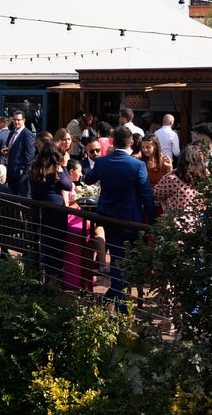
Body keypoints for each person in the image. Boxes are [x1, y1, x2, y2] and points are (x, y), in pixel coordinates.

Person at [83, 126, 156, 312]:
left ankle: (115, 302)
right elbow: (146, 196)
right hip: (131, 220)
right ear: (131, 142)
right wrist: (153, 221)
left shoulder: (102, 162)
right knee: (127, 261)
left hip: (109, 218)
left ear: (113, 142)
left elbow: (88, 179)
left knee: (116, 259)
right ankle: (119, 305)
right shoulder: (137, 165)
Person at [29, 139, 73, 280]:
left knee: (45, 242)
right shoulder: (56, 168)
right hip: (55, 213)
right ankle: (52, 276)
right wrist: (64, 166)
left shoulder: (34, 166)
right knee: (55, 243)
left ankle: (45, 273)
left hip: (38, 210)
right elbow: (68, 186)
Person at [62, 159, 94, 291]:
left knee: (88, 228)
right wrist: (77, 203)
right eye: (79, 170)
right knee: (82, 231)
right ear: (71, 171)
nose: (81, 174)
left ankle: (84, 275)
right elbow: (66, 205)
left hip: (77, 215)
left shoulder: (72, 184)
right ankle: (74, 277)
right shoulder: (66, 185)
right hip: (70, 217)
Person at [153, 143, 207, 220]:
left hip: (176, 225)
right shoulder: (204, 180)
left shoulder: (173, 180)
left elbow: (156, 193)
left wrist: (170, 172)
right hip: (197, 224)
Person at [3, 110, 36, 197]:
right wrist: (5, 151)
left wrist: (24, 173)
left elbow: (30, 156)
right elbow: (10, 149)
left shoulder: (28, 135)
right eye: (14, 120)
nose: (16, 122)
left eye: (18, 120)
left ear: (24, 120)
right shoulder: (11, 133)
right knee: (12, 198)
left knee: (22, 198)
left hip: (20, 173)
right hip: (10, 171)